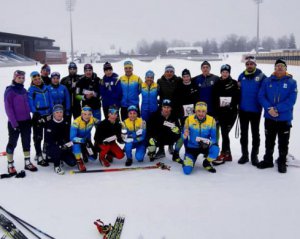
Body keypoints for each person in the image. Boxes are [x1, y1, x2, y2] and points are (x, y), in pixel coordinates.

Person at [257, 59, 298, 173]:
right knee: (269, 141)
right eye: (278, 66)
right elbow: (261, 96)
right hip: (269, 117)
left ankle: (282, 162)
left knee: (283, 142)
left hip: (284, 118)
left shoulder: (292, 82)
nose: (280, 67)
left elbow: (291, 100)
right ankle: (268, 160)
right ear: (274, 68)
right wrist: (269, 108)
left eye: (282, 66)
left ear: (285, 68)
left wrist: (276, 109)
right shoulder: (267, 81)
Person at [4, 70, 37, 174]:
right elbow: (8, 109)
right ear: (14, 78)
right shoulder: (10, 91)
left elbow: (28, 105)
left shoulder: (24, 91)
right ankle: (10, 164)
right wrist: (14, 124)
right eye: (19, 78)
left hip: (26, 121)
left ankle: (27, 162)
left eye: (23, 78)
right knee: (12, 143)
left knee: (26, 142)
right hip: (15, 123)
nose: (21, 79)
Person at [237, 55, 267, 166]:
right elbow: (238, 90)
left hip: (255, 110)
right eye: (247, 64)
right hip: (243, 110)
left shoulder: (262, 76)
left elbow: (268, 89)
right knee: (243, 134)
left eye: (251, 64)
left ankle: (254, 156)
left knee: (255, 134)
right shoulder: (241, 76)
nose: (249, 65)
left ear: (255, 64)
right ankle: (244, 155)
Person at [212, 64, 239, 165]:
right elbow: (214, 98)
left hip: (231, 113)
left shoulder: (234, 83)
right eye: (223, 72)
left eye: (226, 72)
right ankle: (227, 154)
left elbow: (237, 97)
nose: (225, 74)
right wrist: (216, 111)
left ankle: (225, 153)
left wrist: (231, 105)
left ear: (229, 73)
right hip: (220, 113)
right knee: (224, 133)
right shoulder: (217, 83)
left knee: (225, 133)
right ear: (221, 72)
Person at [182, 102, 219, 175]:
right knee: (187, 171)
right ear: (195, 111)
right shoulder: (189, 119)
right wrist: (185, 135)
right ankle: (190, 158)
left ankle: (206, 162)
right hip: (192, 147)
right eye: (198, 111)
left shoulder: (211, 120)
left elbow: (214, 138)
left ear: (206, 111)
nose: (201, 113)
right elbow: (183, 136)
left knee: (215, 150)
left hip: (205, 146)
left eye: (203, 111)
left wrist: (208, 143)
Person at [28, 71, 53, 167]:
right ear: (32, 81)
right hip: (38, 115)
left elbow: (50, 99)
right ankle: (38, 154)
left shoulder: (46, 88)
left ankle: (46, 151)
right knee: (38, 136)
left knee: (48, 134)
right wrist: (35, 112)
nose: (37, 81)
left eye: (39, 79)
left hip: (47, 114)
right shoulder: (31, 90)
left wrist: (52, 110)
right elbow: (30, 102)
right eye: (35, 80)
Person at [45, 105, 76, 175]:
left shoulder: (66, 122)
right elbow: (48, 140)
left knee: (72, 163)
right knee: (56, 149)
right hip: (53, 146)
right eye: (57, 112)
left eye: (61, 112)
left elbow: (68, 136)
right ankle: (56, 166)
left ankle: (61, 158)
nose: (59, 114)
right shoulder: (49, 123)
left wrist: (69, 144)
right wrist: (59, 145)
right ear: (53, 113)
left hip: (64, 146)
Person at [70, 106, 99, 172]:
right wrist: (82, 140)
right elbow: (72, 138)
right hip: (77, 141)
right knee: (76, 144)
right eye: (85, 114)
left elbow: (102, 124)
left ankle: (84, 152)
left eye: (89, 114)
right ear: (81, 114)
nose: (87, 116)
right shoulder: (76, 122)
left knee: (93, 157)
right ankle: (78, 160)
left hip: (87, 141)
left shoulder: (93, 119)